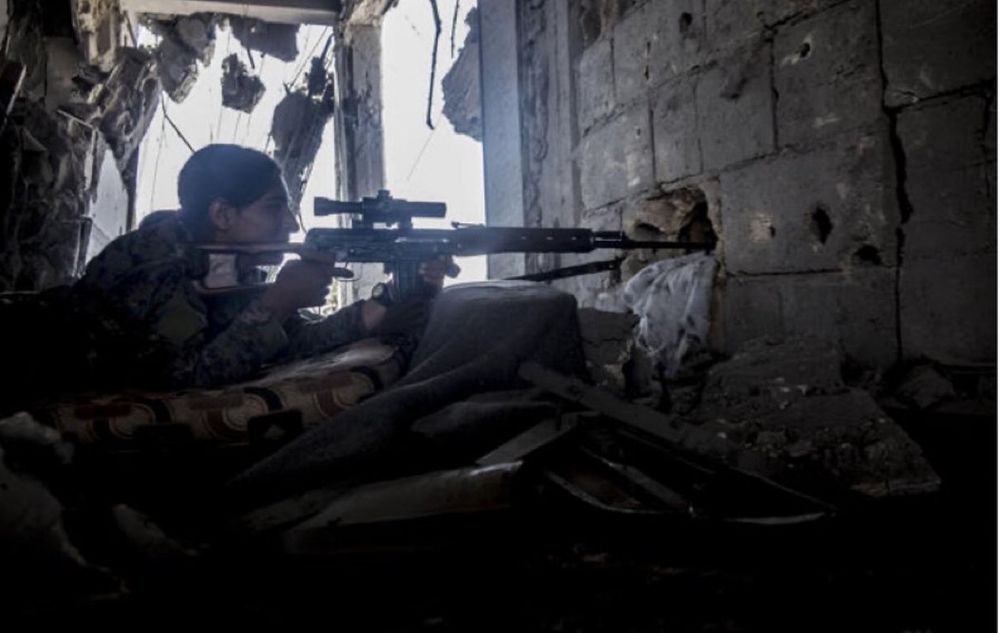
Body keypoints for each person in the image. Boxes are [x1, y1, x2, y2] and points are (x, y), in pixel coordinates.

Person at [66, 144, 443, 391]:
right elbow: (185, 380)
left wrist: (390, 297)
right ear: (222, 214)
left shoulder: (229, 267)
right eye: (273, 208)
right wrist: (277, 302)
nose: (291, 225)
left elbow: (293, 343)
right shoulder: (158, 264)